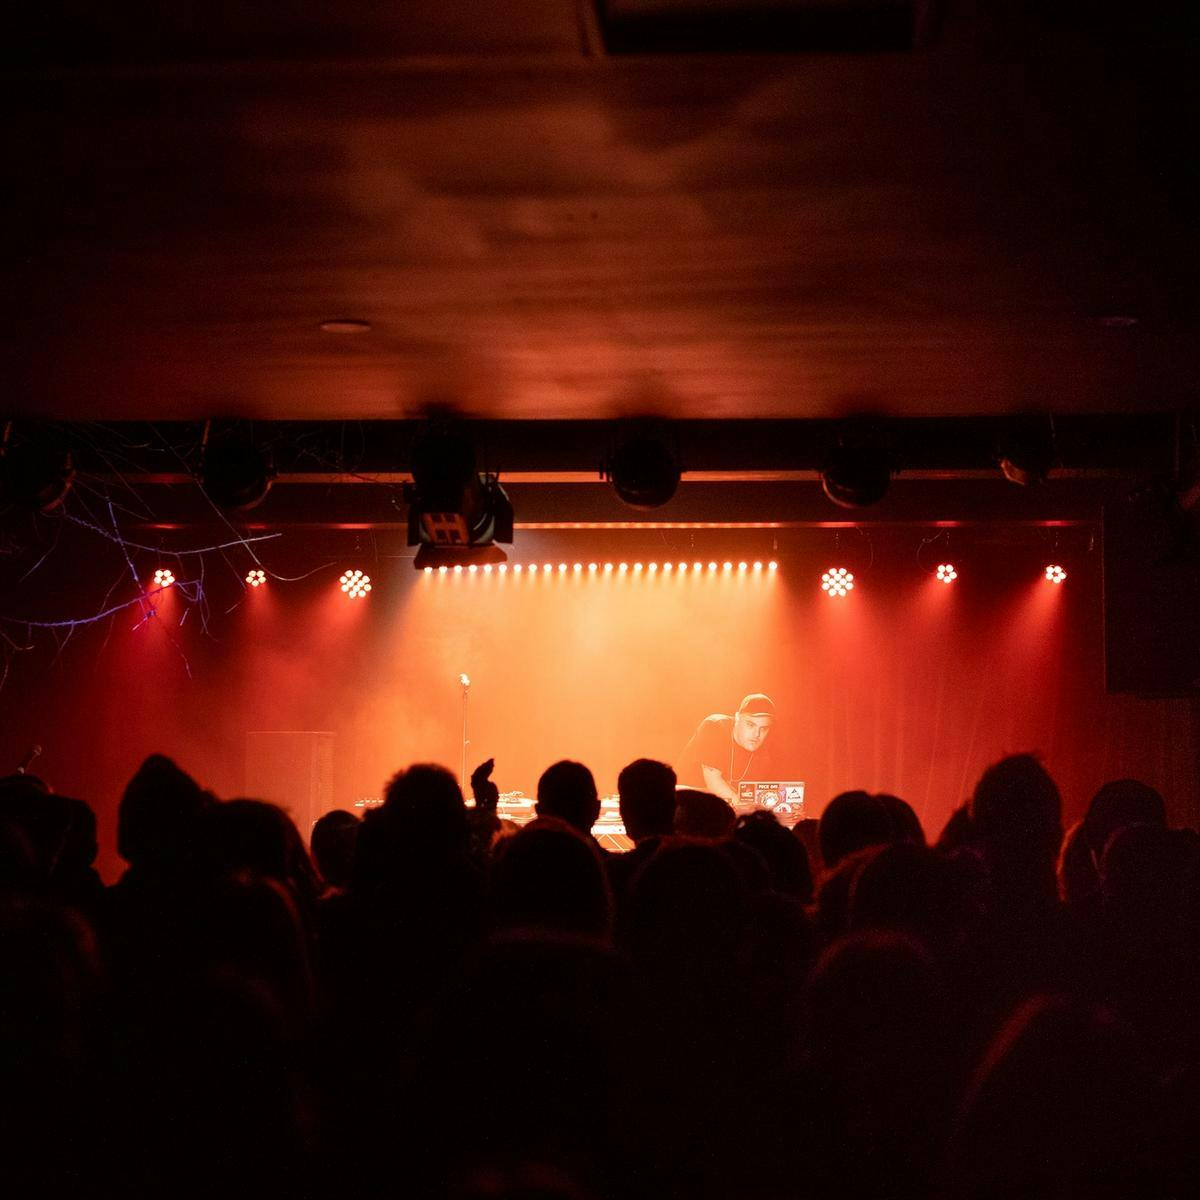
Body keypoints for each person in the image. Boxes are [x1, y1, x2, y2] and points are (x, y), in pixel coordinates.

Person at [676, 693, 775, 806]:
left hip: (721, 809)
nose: (757, 734)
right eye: (750, 725)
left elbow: (746, 798)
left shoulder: (764, 757)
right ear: (737, 717)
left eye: (764, 728)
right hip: (683, 802)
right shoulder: (715, 726)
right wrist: (746, 807)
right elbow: (714, 784)